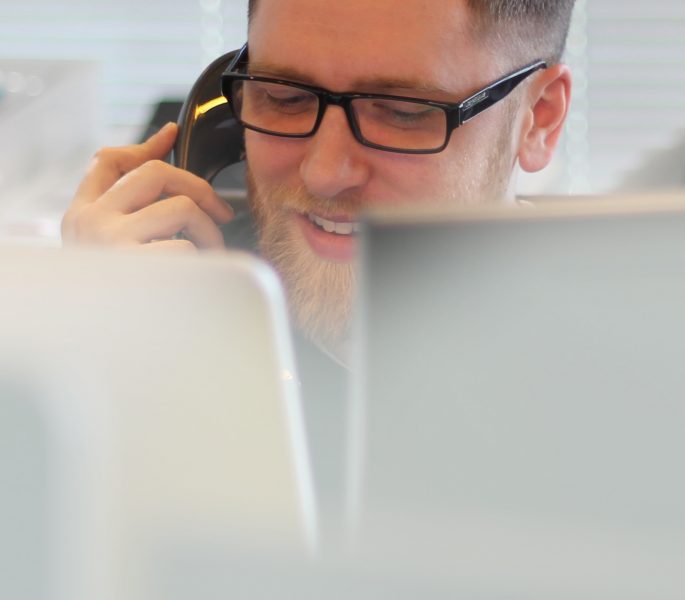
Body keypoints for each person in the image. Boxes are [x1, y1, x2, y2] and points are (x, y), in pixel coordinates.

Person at [61, 0, 575, 527]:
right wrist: (85, 362)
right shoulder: (173, 313)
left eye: (402, 112)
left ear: (539, 119)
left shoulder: (610, 398)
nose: (325, 173)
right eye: (282, 98)